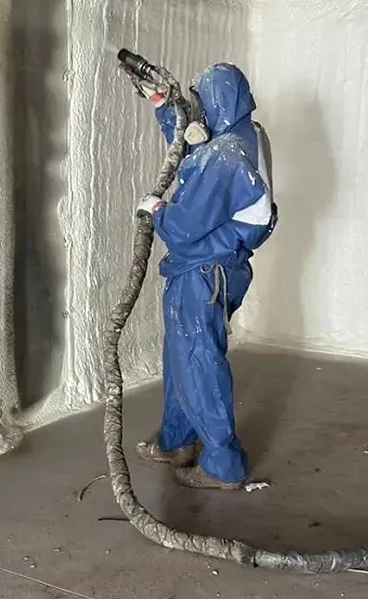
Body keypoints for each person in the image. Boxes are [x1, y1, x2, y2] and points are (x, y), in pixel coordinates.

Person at [131, 63, 276, 490]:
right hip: (219, 268)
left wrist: (157, 209)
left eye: (204, 104)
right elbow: (196, 155)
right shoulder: (247, 137)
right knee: (183, 359)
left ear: (216, 103)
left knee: (198, 363)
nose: (201, 113)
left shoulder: (224, 158)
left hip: (203, 273)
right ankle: (177, 441)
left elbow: (182, 227)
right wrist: (164, 107)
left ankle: (223, 466)